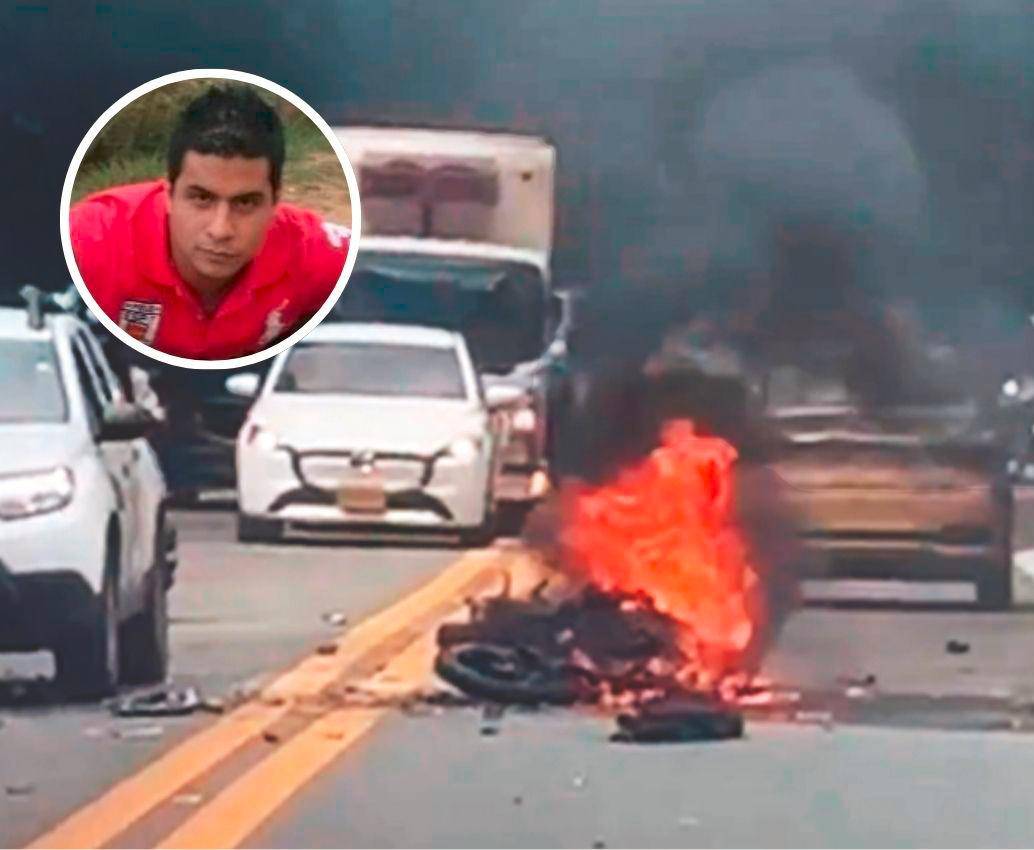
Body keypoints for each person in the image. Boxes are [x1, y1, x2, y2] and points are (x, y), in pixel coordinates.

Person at [70, 83, 350, 360]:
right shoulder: (90, 240)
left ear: (275, 202)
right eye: (201, 199)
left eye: (245, 203)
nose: (220, 230)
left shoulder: (315, 252)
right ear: (168, 194)